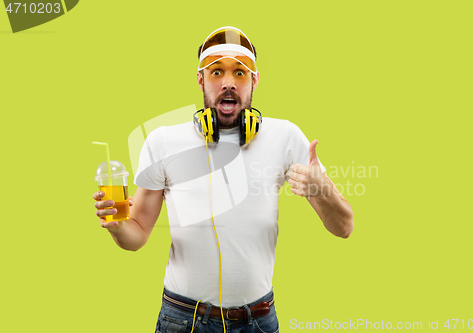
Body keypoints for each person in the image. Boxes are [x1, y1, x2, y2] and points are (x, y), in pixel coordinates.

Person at [93, 26, 354, 333]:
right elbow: (135, 235)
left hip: (258, 320)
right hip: (183, 319)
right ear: (201, 79)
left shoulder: (286, 137)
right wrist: (117, 225)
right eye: (217, 72)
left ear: (254, 81)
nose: (229, 83)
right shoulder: (162, 141)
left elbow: (344, 227)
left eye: (240, 73)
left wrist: (320, 189)